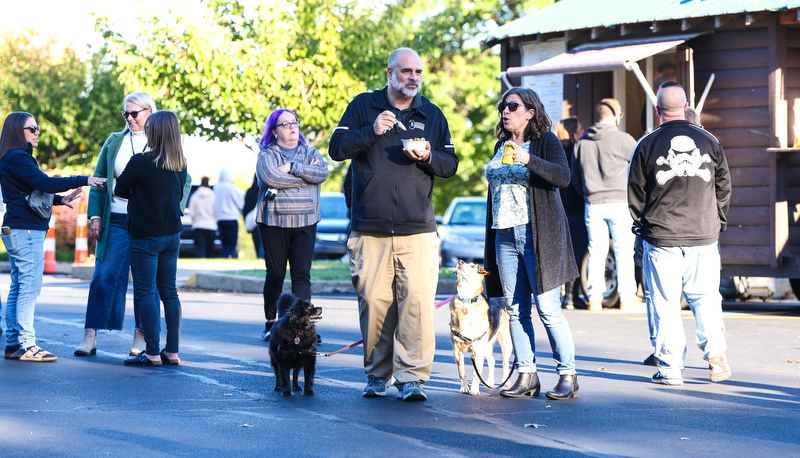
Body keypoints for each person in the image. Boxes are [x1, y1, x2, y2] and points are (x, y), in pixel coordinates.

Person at [329, 47, 458, 401]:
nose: (413, 77)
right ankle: (377, 375)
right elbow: (336, 148)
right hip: (369, 226)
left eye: (418, 71)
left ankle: (412, 377)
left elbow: (451, 164)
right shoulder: (362, 106)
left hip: (417, 229)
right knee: (374, 303)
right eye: (406, 71)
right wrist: (372, 130)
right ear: (390, 73)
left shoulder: (431, 113)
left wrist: (430, 155)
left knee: (415, 304)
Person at [628, 81, 732, 385]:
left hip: (662, 236)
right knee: (706, 298)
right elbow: (723, 185)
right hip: (703, 233)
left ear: (658, 110)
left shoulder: (646, 143)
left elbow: (635, 192)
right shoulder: (710, 140)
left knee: (665, 302)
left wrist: (642, 226)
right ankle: (716, 353)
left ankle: (671, 369)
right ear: (687, 107)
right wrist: (717, 221)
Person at [483, 87, 580, 400]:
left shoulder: (546, 141)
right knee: (515, 309)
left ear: (531, 112)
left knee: (548, 309)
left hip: (539, 235)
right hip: (505, 235)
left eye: (513, 106)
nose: (506, 112)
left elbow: (563, 177)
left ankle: (568, 374)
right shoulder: (501, 145)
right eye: (503, 107)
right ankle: (526, 374)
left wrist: (528, 159)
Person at [0, 112, 106, 362]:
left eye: (37, 128)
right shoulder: (17, 157)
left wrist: (60, 200)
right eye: (32, 128)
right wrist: (84, 179)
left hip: (19, 229)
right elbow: (44, 183)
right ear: (18, 131)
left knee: (19, 287)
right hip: (25, 231)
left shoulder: (17, 158)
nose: (37, 133)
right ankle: (27, 345)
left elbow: (28, 192)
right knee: (29, 289)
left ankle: (14, 344)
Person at [75, 92, 171, 357]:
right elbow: (98, 181)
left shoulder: (164, 143)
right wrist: (95, 216)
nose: (129, 118)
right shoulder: (114, 141)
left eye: (134, 113)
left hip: (148, 223)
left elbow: (182, 180)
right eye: (125, 114)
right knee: (103, 275)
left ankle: (143, 334)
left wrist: (175, 208)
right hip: (115, 220)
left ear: (150, 111)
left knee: (146, 282)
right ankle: (90, 334)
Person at [116, 110, 189, 367]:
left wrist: (138, 190)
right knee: (169, 292)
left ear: (153, 132)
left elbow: (119, 188)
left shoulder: (140, 162)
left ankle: (152, 352)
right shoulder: (180, 164)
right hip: (172, 235)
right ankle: (173, 351)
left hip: (145, 236)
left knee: (146, 291)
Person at [255, 108, 328, 341]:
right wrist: (303, 182)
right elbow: (270, 177)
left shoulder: (311, 152)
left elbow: (322, 173)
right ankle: (270, 323)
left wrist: (293, 168)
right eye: (285, 124)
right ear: (274, 132)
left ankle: (304, 327)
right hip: (274, 223)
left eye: (294, 122)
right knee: (275, 274)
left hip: (306, 223)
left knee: (301, 275)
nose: (292, 127)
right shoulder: (267, 155)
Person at [572, 98, 640, 311]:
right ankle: (627, 298)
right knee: (623, 251)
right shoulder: (624, 140)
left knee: (596, 251)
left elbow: (575, 177)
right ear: (617, 114)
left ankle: (594, 299)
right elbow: (641, 168)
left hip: (592, 203)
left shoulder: (582, 143)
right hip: (620, 202)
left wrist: (587, 193)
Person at [555, 117, 585, 310]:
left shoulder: (554, 152)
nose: (582, 132)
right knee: (577, 253)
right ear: (573, 132)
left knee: (562, 253)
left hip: (558, 209)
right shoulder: (577, 152)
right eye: (580, 128)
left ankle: (564, 296)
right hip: (575, 208)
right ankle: (573, 296)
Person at [214, 168, 243, 258]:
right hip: (231, 217)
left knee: (224, 240)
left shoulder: (216, 187)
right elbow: (240, 203)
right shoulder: (232, 187)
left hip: (220, 218)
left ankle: (225, 255)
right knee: (232, 241)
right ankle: (230, 256)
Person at [189, 176, 216, 258]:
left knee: (200, 250)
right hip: (211, 226)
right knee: (210, 251)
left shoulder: (194, 196)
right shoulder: (213, 196)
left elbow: (191, 213)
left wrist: (196, 220)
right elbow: (216, 211)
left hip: (198, 225)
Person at [242, 175, 264, 259]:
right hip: (264, 219)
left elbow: (245, 209)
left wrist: (246, 223)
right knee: (263, 244)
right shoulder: (265, 189)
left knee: (256, 243)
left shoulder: (250, 191)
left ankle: (259, 258)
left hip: (252, 221)